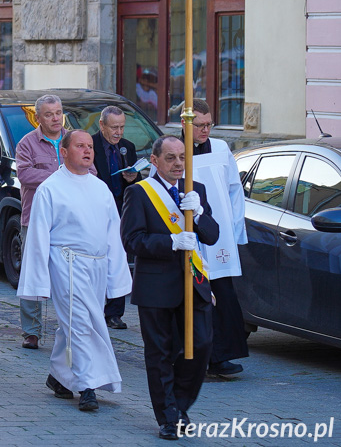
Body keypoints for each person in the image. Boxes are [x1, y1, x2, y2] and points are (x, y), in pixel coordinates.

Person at [18, 130, 132, 411]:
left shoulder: (100, 187)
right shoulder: (50, 188)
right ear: (64, 152)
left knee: (77, 322)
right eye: (80, 146)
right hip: (66, 264)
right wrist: (37, 280)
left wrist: (116, 275)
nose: (87, 151)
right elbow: (38, 236)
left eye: (90, 146)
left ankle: (59, 376)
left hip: (96, 265)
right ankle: (86, 386)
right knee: (80, 323)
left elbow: (112, 233)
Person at [121, 135, 219, 440]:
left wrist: (200, 215)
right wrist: (171, 242)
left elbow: (213, 235)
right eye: (171, 158)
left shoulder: (195, 190)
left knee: (200, 345)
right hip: (157, 286)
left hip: (194, 282)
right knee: (160, 353)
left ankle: (178, 404)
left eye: (182, 157)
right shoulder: (139, 193)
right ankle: (168, 417)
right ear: (155, 161)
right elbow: (132, 240)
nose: (178, 164)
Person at [185, 99, 249, 378]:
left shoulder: (221, 149)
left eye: (209, 124)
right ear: (186, 125)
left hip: (219, 236)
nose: (206, 130)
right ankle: (195, 358)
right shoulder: (174, 151)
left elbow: (235, 191)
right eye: (200, 125)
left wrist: (235, 229)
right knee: (195, 299)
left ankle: (222, 356)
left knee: (223, 296)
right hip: (191, 236)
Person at [15, 94, 68, 350]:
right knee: (32, 272)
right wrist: (61, 175)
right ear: (38, 117)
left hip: (68, 221)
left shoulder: (74, 140)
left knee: (66, 274)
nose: (55, 118)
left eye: (58, 112)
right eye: (49, 114)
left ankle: (68, 325)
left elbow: (90, 171)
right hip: (34, 219)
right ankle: (31, 331)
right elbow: (25, 175)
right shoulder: (27, 143)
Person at [91, 105, 141, 330]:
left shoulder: (127, 147)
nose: (119, 132)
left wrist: (133, 177)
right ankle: (92, 307)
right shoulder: (89, 145)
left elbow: (136, 180)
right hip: (95, 209)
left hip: (121, 210)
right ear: (102, 125)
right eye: (114, 127)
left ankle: (114, 313)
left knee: (118, 261)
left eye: (122, 127)